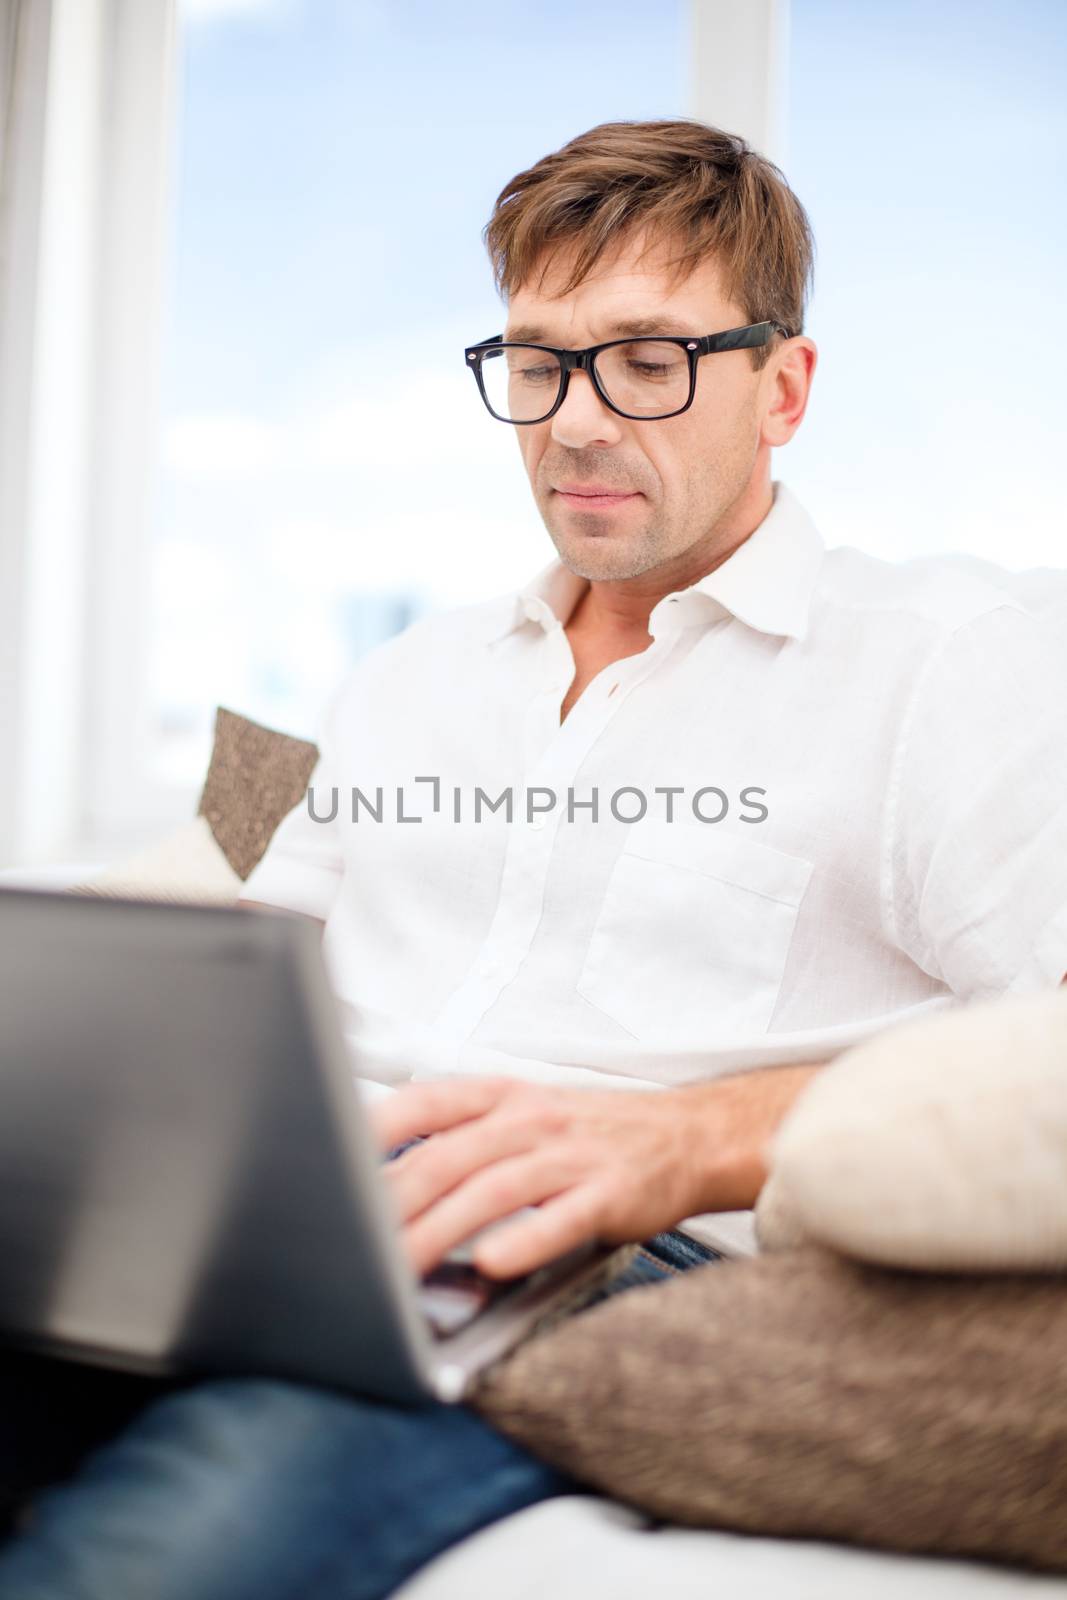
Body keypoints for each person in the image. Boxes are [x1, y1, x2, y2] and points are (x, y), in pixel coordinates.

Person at [0, 118, 1064, 1599]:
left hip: (602, 1258)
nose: (573, 420)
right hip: (308, 1214)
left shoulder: (953, 657)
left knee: (146, 1559)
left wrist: (684, 1140)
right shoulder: (402, 672)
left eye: (647, 359)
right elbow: (224, 888)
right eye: (537, 359)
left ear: (785, 388)